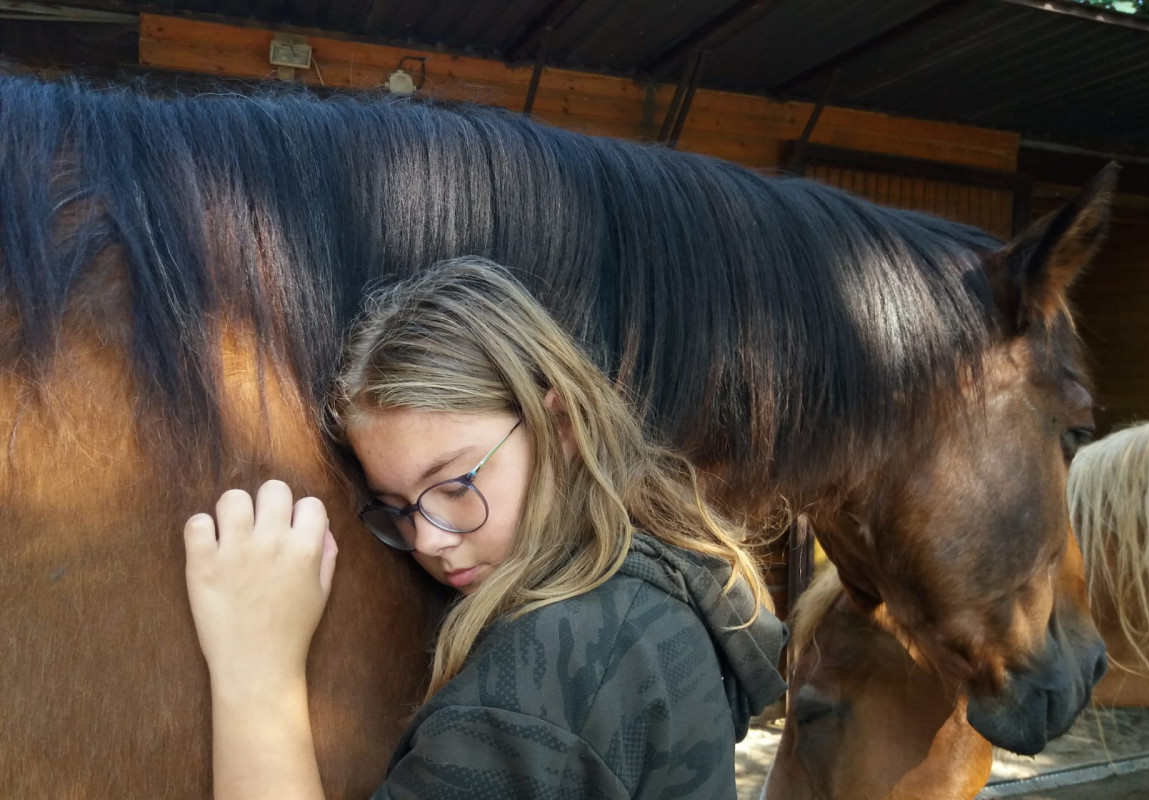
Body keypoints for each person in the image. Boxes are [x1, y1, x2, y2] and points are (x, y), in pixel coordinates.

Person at [183, 256, 789, 799]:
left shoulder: (559, 665)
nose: (428, 539)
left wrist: (255, 673)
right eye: (398, 507)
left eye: (455, 485)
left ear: (559, 428)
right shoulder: (654, 597)